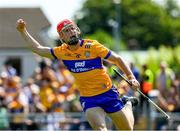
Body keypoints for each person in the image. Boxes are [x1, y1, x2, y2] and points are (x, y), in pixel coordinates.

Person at [16, 18, 140, 130]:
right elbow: (38, 49)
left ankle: (127, 103)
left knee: (127, 129)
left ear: (77, 31)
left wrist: (131, 77)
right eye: (67, 31)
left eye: (72, 29)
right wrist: (23, 31)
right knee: (100, 129)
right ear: (62, 37)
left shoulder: (92, 46)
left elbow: (117, 59)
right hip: (89, 99)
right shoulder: (62, 52)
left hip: (108, 93)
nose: (71, 32)